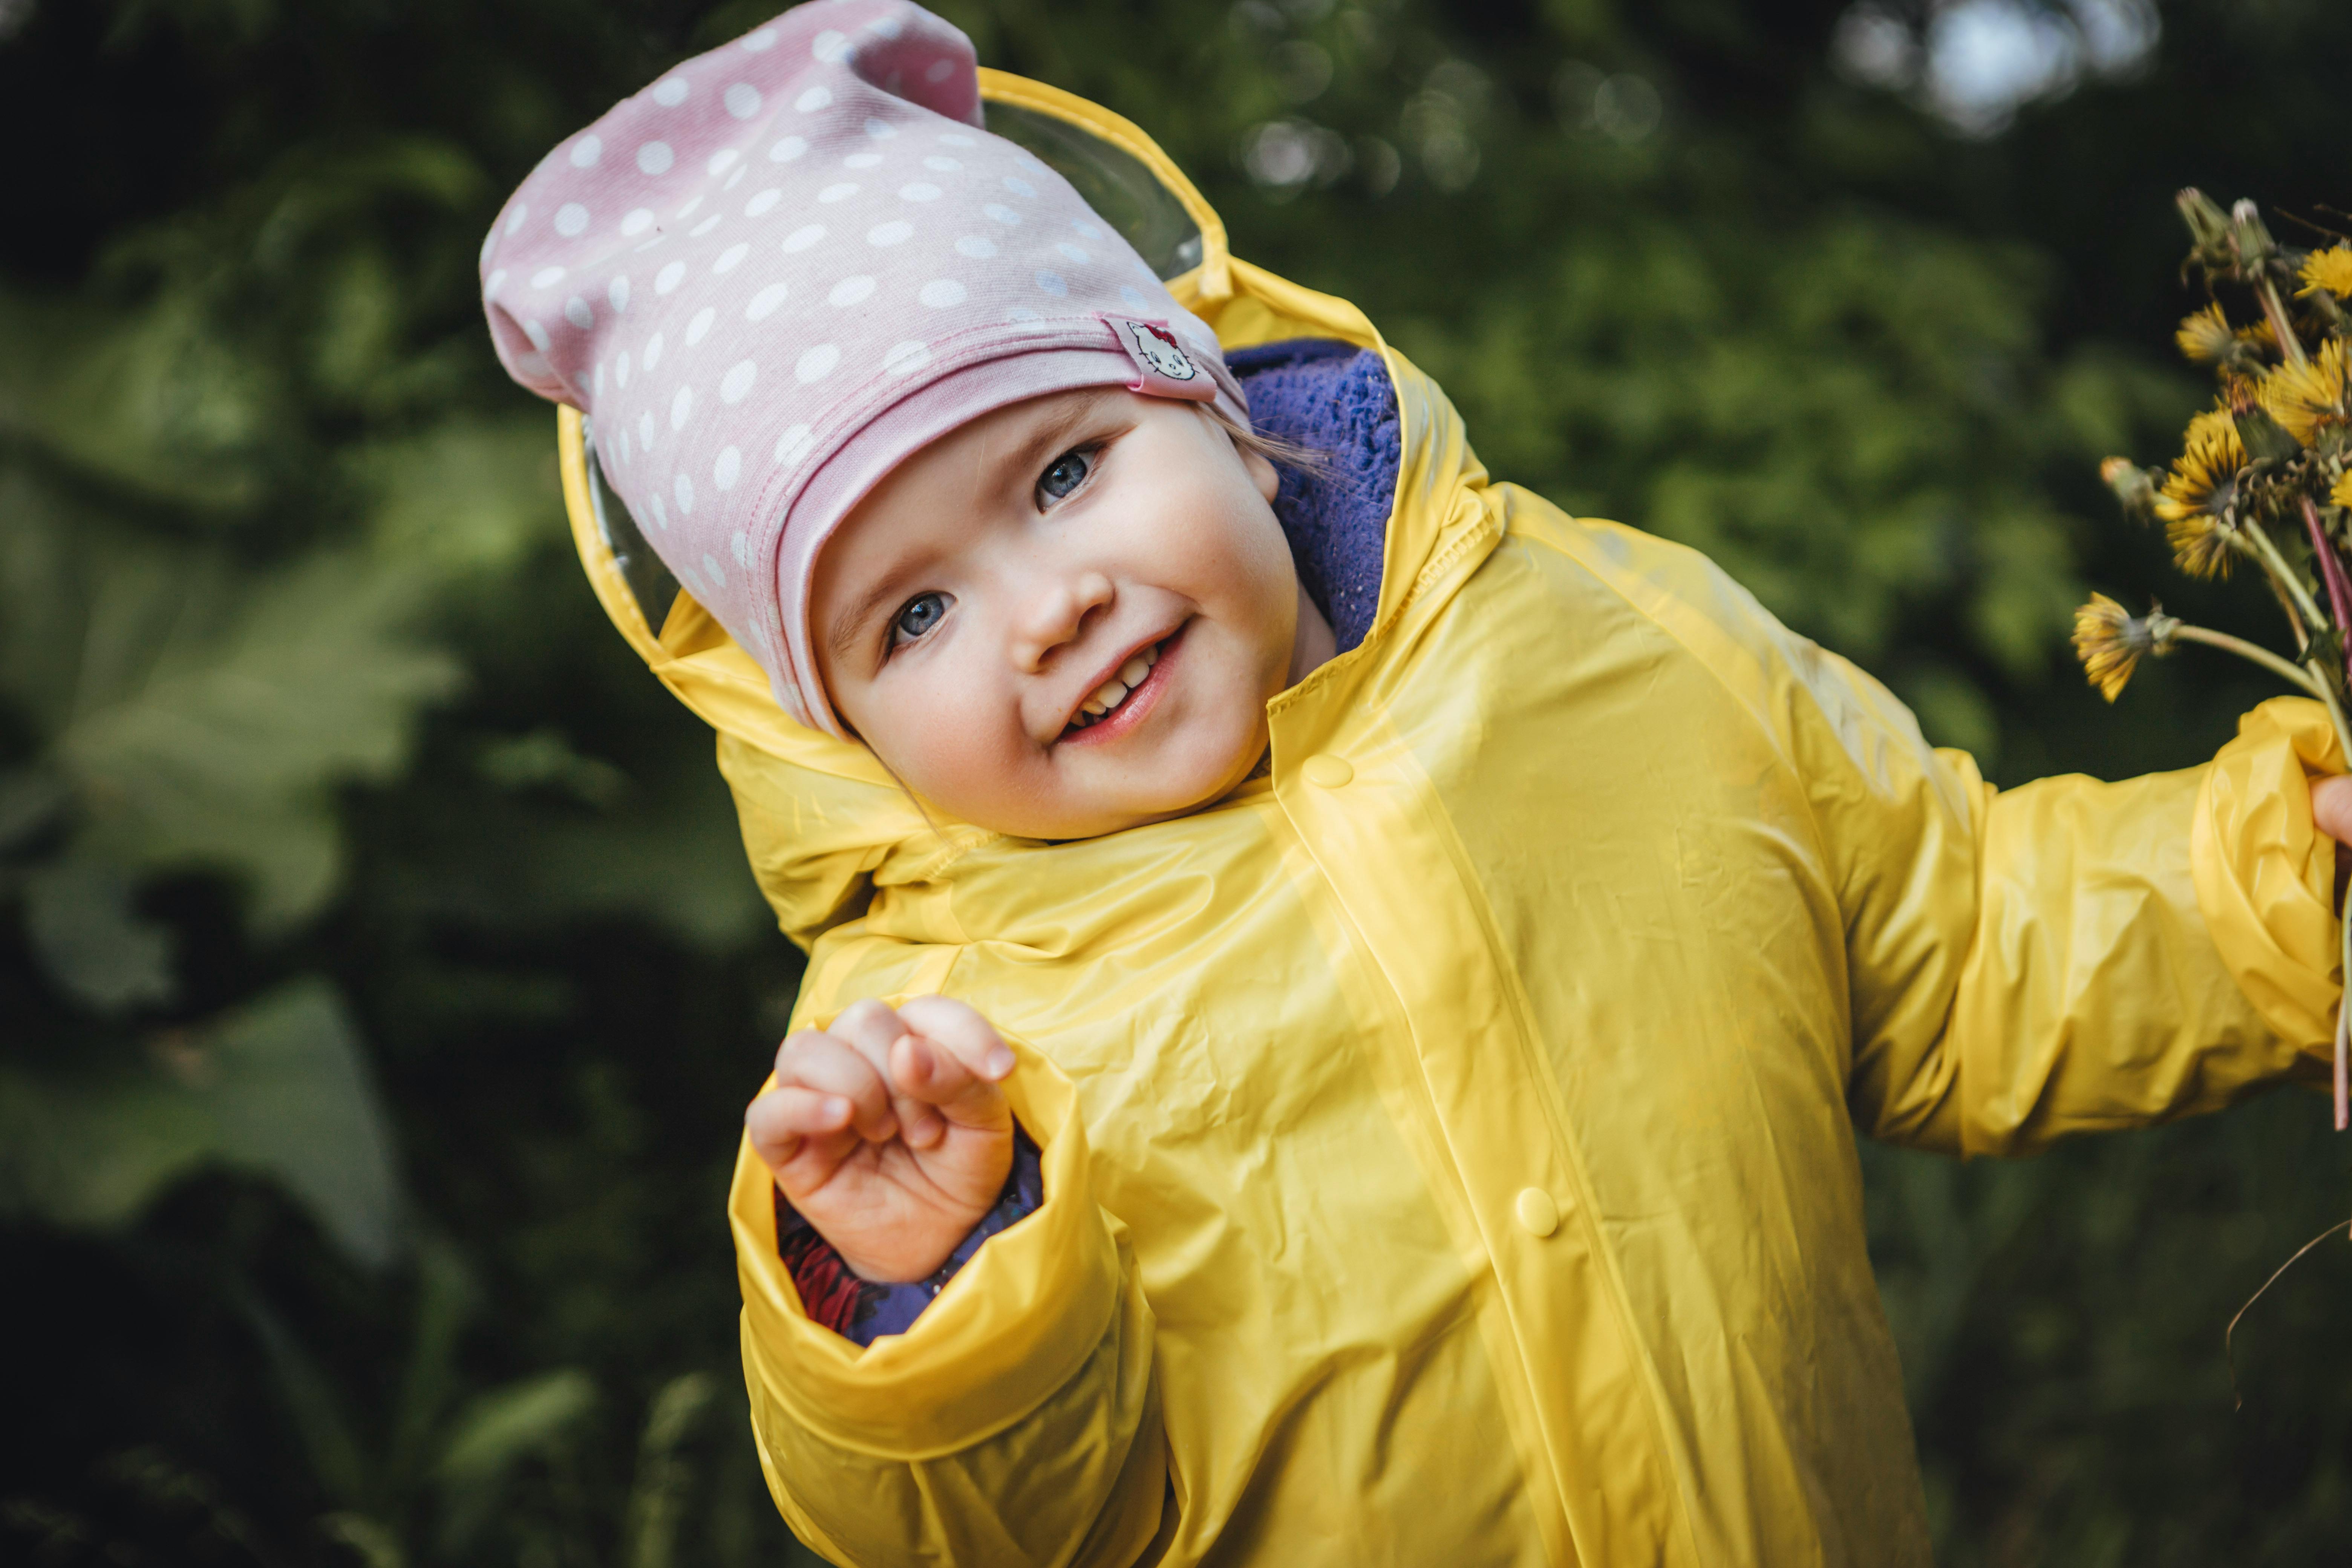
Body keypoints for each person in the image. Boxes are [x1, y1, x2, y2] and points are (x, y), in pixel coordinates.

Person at [481, 2, 2352, 1562]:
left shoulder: (1592, 642)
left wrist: (2291, 869)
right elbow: (984, 1527)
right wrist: (938, 1301)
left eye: (1062, 474)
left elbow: (1957, 938)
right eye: (911, 617)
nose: (1047, 611)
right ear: (837, 725)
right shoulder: (932, 1051)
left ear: (1201, 394)